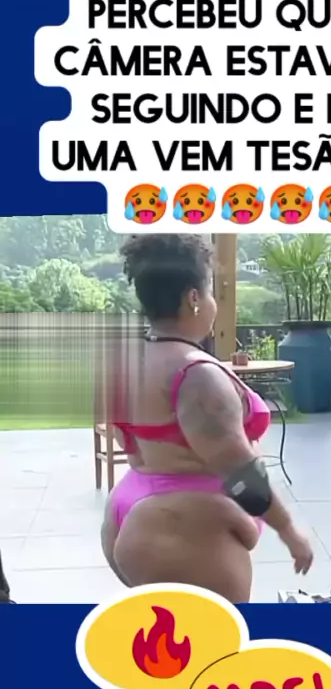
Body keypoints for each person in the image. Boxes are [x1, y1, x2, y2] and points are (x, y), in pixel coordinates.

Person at [101, 234, 314, 602]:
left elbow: (129, 440)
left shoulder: (125, 364)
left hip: (134, 508)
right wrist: (289, 531)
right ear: (193, 298)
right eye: (211, 291)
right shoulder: (196, 375)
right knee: (215, 632)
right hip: (185, 525)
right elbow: (241, 472)